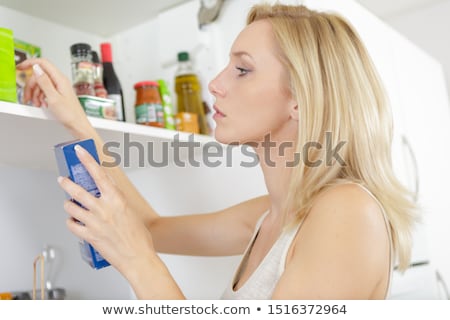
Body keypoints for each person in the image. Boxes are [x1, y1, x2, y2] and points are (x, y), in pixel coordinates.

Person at [17, 3, 417, 299]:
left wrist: (139, 263)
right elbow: (152, 229)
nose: (216, 84)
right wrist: (80, 122)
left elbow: (143, 244)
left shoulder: (347, 212)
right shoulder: (269, 215)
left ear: (301, 98)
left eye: (242, 70)